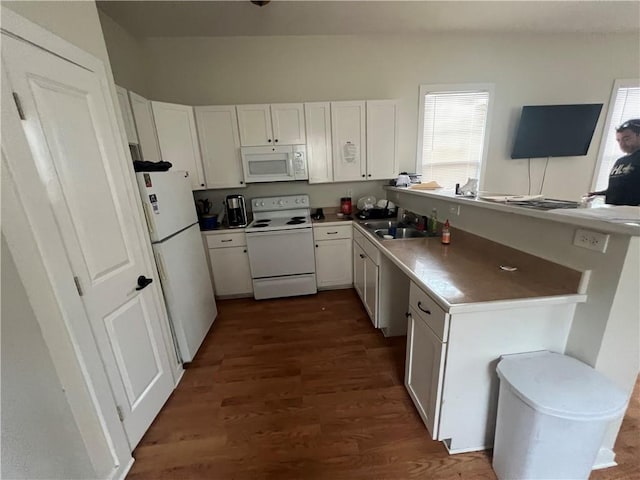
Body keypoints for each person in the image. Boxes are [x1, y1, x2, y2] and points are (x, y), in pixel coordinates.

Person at [589, 119, 640, 206]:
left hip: (632, 215)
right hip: (612, 212)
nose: (622, 144)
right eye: (619, 140)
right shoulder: (620, 161)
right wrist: (598, 194)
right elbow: (618, 189)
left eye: (626, 139)